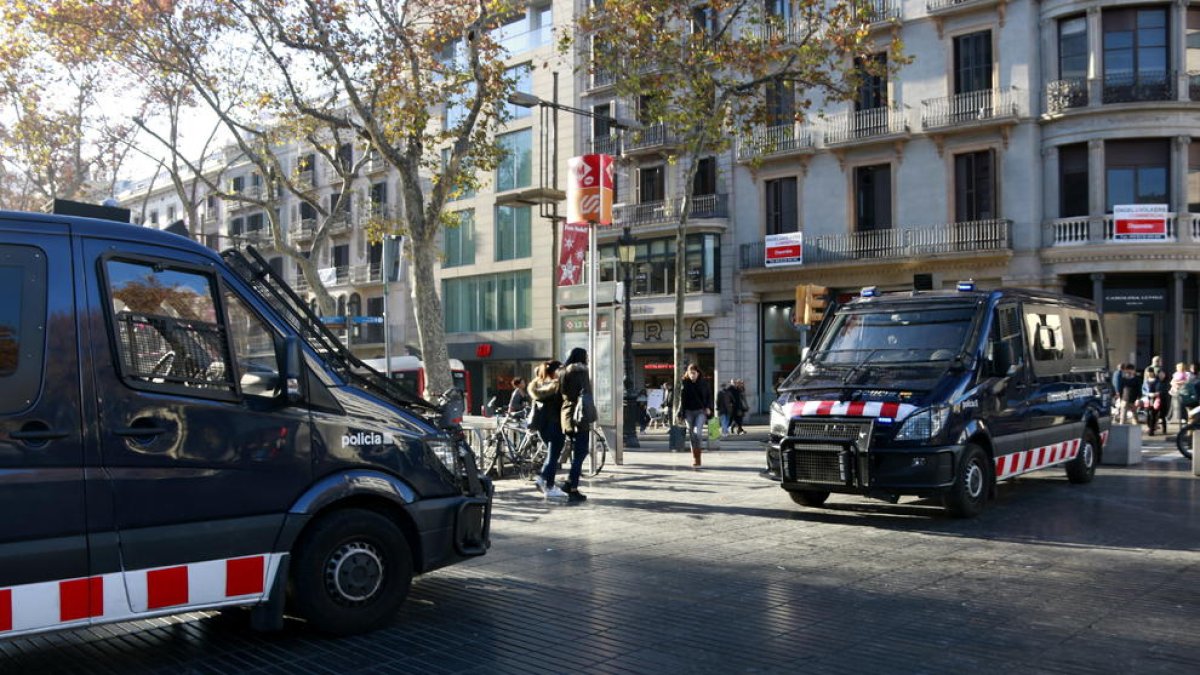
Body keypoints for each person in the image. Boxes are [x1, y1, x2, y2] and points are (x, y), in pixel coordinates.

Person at [528, 361, 568, 501]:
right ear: (556, 371)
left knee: (552, 456)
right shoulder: (557, 387)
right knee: (553, 456)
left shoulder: (537, 386)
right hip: (555, 425)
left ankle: (550, 487)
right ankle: (543, 477)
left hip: (542, 427)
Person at [558, 347, 593, 503]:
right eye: (586, 356)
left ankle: (570, 484)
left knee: (575, 452)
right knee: (581, 452)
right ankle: (572, 487)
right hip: (579, 416)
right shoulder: (581, 372)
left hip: (566, 414)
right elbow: (586, 395)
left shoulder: (563, 372)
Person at [678, 363, 713, 468]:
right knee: (692, 435)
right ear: (687, 373)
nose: (692, 375)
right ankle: (695, 458)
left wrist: (709, 407)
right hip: (688, 412)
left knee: (697, 432)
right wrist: (680, 412)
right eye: (690, 373)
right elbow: (681, 399)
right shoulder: (684, 383)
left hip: (700, 411)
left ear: (698, 373)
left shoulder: (704, 383)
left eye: (694, 373)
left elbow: (709, 396)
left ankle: (698, 457)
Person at [1169, 362, 1192, 431]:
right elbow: (1171, 382)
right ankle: (1178, 418)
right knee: (1176, 406)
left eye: (1179, 367)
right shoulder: (1176, 374)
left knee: (1185, 406)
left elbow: (1187, 381)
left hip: (1184, 392)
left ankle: (1186, 419)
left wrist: (1179, 383)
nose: (1178, 368)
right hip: (1176, 392)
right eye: (1177, 367)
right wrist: (1175, 384)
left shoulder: (1187, 374)